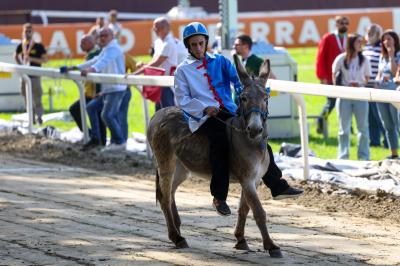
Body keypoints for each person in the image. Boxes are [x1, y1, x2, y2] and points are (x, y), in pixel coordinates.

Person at [174, 22, 302, 216]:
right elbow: (181, 99)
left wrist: (254, 91)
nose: (199, 48)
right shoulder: (183, 70)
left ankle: (277, 186)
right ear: (188, 46)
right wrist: (203, 108)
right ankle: (219, 197)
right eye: (194, 45)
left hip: (229, 110)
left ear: (206, 41)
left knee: (260, 138)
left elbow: (238, 81)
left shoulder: (221, 61)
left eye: (201, 43)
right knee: (220, 142)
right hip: (203, 117)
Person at [77, 28, 126, 151]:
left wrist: (89, 71)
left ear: (112, 36)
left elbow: (101, 63)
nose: (102, 38)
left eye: (105, 35)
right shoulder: (106, 49)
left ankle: (120, 142)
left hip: (117, 88)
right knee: (91, 107)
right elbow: (95, 61)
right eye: (100, 36)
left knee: (107, 115)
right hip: (108, 88)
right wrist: (74, 67)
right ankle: (96, 139)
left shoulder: (113, 48)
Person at [333, 34, 371, 160]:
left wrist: (358, 82)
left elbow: (367, 78)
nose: (361, 44)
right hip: (344, 95)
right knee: (343, 129)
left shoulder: (364, 59)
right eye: (358, 42)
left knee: (363, 128)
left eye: (361, 41)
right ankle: (343, 156)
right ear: (351, 43)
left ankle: (363, 157)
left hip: (360, 95)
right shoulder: (341, 58)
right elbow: (334, 74)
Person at [65, 35, 106, 145]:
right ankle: (95, 137)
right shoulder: (93, 54)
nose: (80, 45)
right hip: (90, 92)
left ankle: (95, 137)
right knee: (97, 115)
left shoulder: (96, 53)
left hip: (95, 92)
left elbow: (94, 66)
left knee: (79, 110)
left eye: (83, 43)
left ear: (90, 43)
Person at [316, 16, 350, 134]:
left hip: (347, 78)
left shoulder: (350, 39)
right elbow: (320, 58)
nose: (344, 25)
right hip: (331, 77)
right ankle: (320, 121)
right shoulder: (328, 38)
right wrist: (322, 77)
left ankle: (349, 128)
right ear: (336, 24)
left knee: (347, 103)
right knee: (331, 103)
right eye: (341, 23)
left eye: (346, 23)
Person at [135, 17, 177, 111]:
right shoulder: (158, 42)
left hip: (167, 83)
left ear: (166, 28)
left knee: (168, 113)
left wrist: (136, 73)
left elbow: (156, 63)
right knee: (158, 112)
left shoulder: (169, 43)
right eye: (155, 27)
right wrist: (144, 65)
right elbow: (154, 61)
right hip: (159, 80)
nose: (155, 30)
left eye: (157, 27)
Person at [14, 23, 48, 125]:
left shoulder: (38, 46)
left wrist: (32, 59)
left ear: (33, 32)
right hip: (25, 76)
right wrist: (21, 65)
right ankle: (31, 118)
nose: (27, 33)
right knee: (26, 98)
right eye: (25, 31)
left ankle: (40, 117)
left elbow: (45, 60)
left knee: (37, 98)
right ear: (22, 32)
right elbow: (15, 55)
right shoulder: (22, 45)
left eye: (29, 31)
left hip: (35, 76)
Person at [375, 30, 400, 159]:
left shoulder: (398, 55)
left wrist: (391, 56)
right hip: (382, 94)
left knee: (398, 124)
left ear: (395, 40)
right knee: (388, 125)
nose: (386, 42)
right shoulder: (381, 56)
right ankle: (394, 154)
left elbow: (396, 73)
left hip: (395, 94)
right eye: (384, 39)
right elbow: (379, 73)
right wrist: (377, 82)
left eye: (389, 39)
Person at [362, 24, 388, 148]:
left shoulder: (381, 48)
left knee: (379, 115)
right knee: (370, 116)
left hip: (377, 86)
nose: (370, 36)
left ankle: (388, 140)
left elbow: (383, 66)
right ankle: (374, 141)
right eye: (369, 33)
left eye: (373, 33)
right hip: (366, 86)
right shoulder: (366, 48)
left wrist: (379, 82)